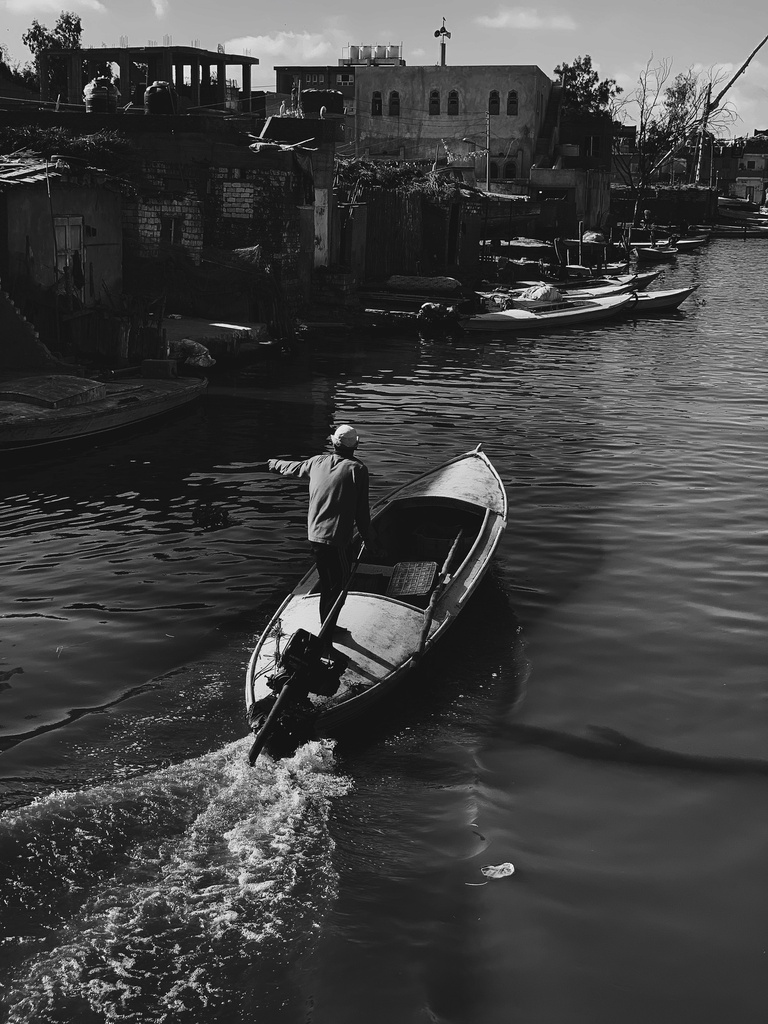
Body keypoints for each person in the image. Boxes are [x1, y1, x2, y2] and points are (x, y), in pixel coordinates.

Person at [266, 424, 372, 645]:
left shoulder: (317, 462)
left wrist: (273, 463)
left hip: (315, 537)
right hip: (337, 540)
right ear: (356, 445)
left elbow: (292, 467)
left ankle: (328, 624)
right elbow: (362, 514)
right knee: (338, 585)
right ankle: (327, 633)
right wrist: (371, 540)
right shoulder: (358, 470)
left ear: (334, 443)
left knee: (328, 583)